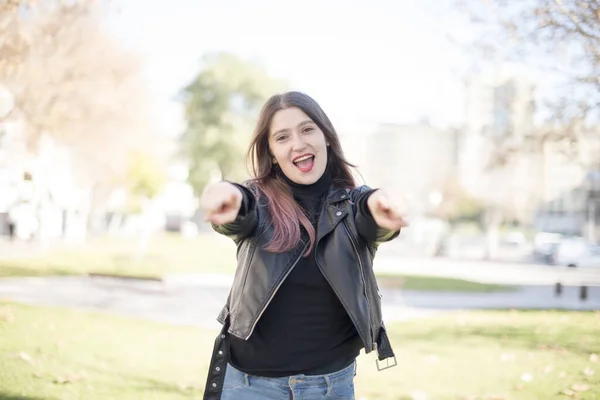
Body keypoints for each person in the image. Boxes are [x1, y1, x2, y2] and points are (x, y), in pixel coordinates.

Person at [200, 91, 408, 400]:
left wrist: (382, 207)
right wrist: (224, 195)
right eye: (282, 137)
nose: (298, 143)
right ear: (271, 153)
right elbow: (239, 209)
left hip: (329, 388)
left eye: (307, 129)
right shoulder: (257, 202)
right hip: (249, 387)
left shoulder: (353, 205)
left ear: (326, 137)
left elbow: (371, 214)